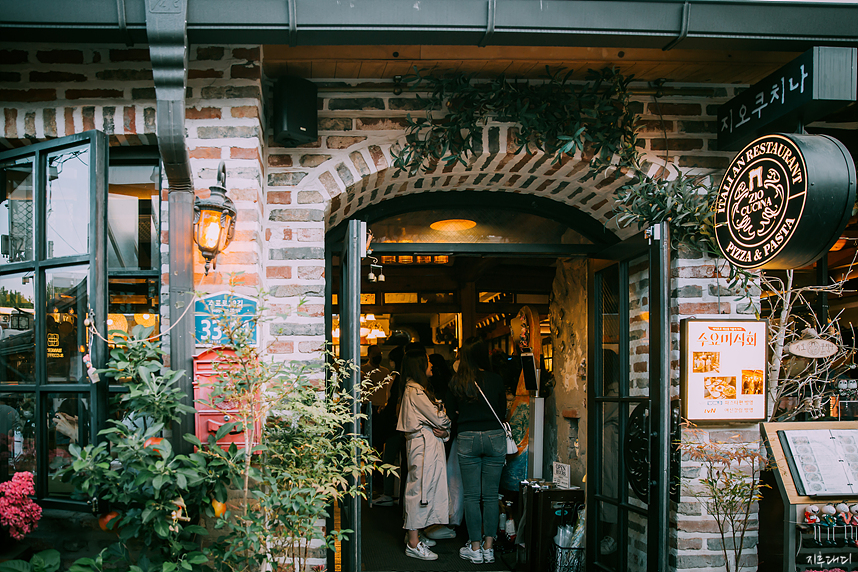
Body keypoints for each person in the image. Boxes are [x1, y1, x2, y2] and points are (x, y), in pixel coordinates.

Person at [445, 337, 507, 565]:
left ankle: (475, 548)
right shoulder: (496, 379)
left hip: (468, 437)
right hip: (494, 437)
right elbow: (502, 411)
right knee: (490, 495)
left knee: (471, 496)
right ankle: (489, 549)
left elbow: (450, 414)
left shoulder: (457, 381)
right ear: (483, 355)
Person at [397, 351, 451, 561]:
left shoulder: (414, 390)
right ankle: (413, 543)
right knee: (418, 491)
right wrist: (444, 422)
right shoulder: (416, 392)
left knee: (421, 489)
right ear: (419, 366)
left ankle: (414, 535)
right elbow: (440, 418)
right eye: (427, 362)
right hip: (422, 446)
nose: (431, 365)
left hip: (423, 445)